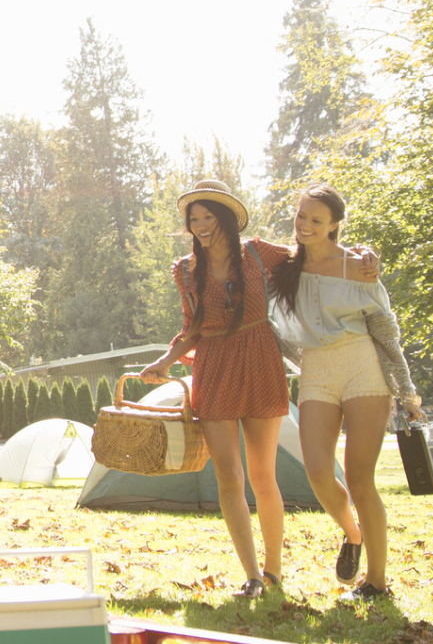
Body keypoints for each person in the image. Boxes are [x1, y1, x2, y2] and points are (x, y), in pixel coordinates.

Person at [138, 180, 380, 601]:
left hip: (259, 359)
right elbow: (191, 327)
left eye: (209, 217)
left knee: (263, 476)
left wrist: (362, 253)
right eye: (194, 220)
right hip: (213, 368)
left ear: (226, 218)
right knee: (228, 477)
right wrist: (165, 361)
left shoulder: (257, 252)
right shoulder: (185, 270)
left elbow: (315, 254)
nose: (200, 227)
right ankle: (251, 576)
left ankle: (273, 571)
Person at [267, 184, 425, 603]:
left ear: (335, 226)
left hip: (362, 369)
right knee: (318, 472)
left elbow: (386, 330)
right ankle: (352, 534)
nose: (305, 226)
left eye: (316, 221)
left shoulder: (359, 268)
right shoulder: (283, 268)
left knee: (360, 477)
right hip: (317, 370)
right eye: (301, 216)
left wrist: (405, 389)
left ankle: (376, 582)